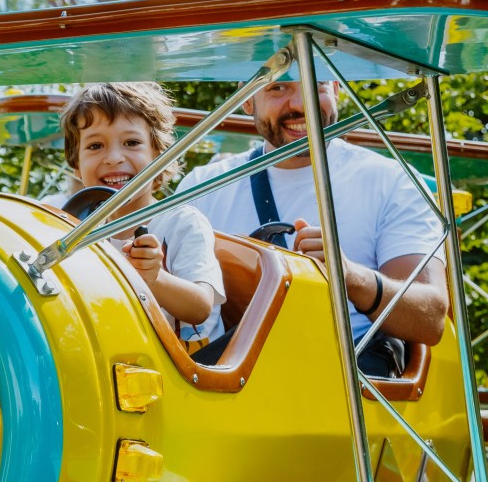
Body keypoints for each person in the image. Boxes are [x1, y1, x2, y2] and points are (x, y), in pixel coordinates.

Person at [175, 78, 448, 376]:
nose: (301, 104)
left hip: (344, 389)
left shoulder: (393, 181)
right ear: (248, 99)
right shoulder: (202, 187)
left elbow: (431, 319)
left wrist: (351, 277)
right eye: (278, 87)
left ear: (336, 90)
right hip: (221, 385)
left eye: (316, 84)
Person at [61, 83, 225, 352]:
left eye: (132, 143)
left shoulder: (181, 222)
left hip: (182, 367)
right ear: (77, 165)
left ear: (159, 156)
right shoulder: (76, 229)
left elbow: (201, 306)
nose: (113, 158)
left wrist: (155, 278)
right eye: (95, 145)